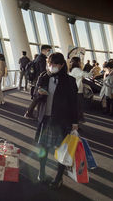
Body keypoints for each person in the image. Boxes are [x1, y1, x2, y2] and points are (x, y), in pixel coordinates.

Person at [34, 52, 79, 189]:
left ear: (61, 65)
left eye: (54, 64)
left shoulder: (69, 81)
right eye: (49, 63)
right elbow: (34, 93)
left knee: (62, 150)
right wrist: (38, 92)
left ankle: (58, 178)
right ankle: (41, 173)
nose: (51, 66)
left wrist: (75, 122)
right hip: (45, 118)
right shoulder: (44, 76)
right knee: (43, 148)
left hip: (61, 120)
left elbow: (74, 102)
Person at [24, 45, 52, 119]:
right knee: (38, 97)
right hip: (40, 81)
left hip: (37, 80)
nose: (49, 52)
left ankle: (34, 113)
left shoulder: (38, 58)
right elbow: (42, 71)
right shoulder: (41, 59)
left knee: (38, 97)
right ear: (44, 50)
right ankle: (30, 113)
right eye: (48, 50)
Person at [69, 57, 93, 122]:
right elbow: (87, 75)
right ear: (78, 62)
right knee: (78, 107)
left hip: (73, 90)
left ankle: (76, 122)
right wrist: (92, 70)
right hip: (78, 91)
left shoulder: (72, 70)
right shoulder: (77, 69)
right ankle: (76, 123)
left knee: (76, 107)